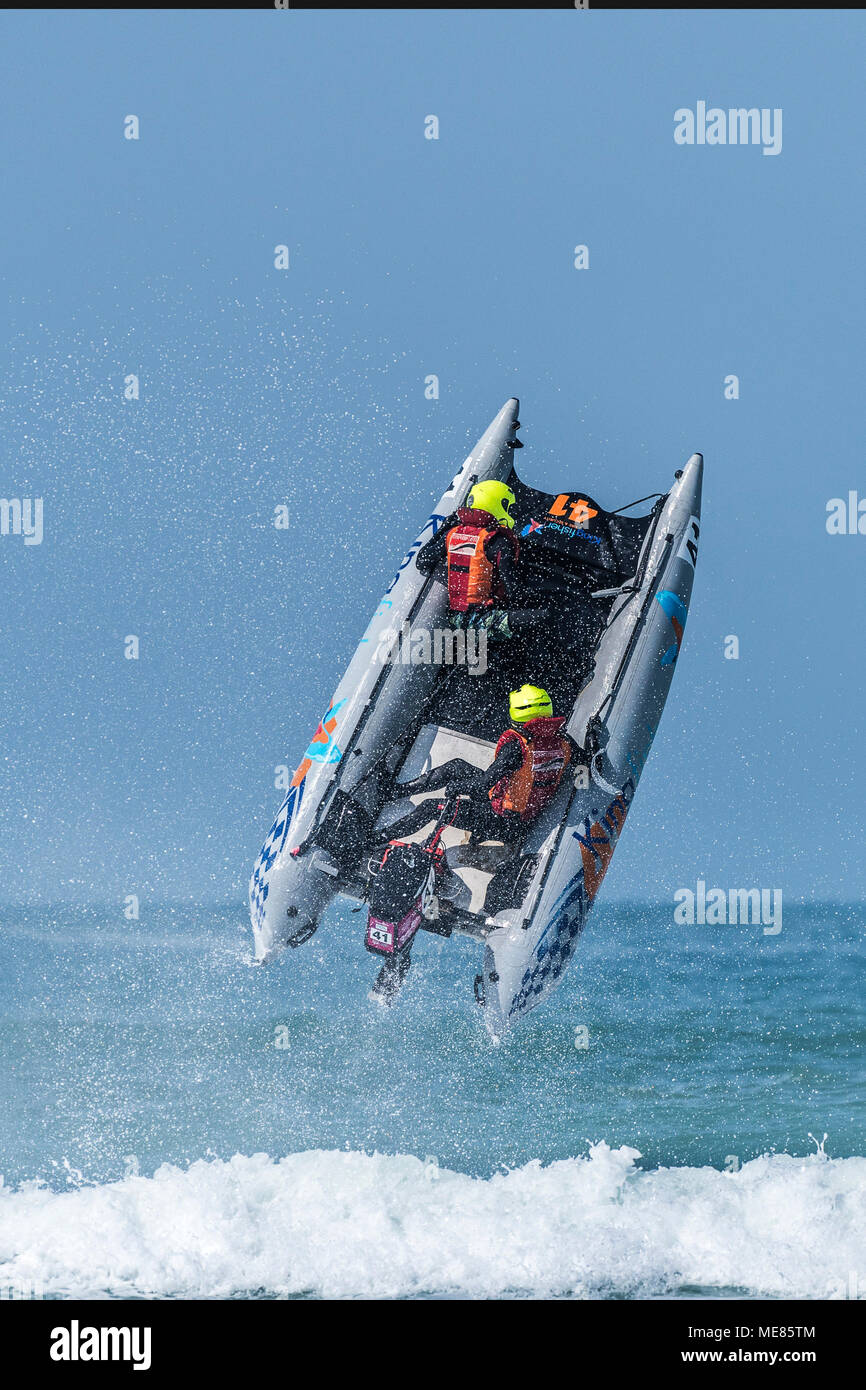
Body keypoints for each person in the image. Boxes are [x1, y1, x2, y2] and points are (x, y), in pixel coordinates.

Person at [376, 685, 573, 848]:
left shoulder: (516, 747)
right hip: (520, 814)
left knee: (430, 807)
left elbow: (481, 785)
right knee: (456, 767)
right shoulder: (561, 739)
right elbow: (583, 755)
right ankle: (395, 792)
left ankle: (378, 838)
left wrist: (456, 788)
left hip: (503, 822)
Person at [415, 480, 543, 641]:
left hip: (455, 618)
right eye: (509, 507)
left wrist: (444, 527)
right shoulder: (497, 541)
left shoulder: (452, 534)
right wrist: (540, 596)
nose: (511, 513)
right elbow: (514, 592)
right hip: (480, 620)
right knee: (545, 617)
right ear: (498, 504)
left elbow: (422, 561)